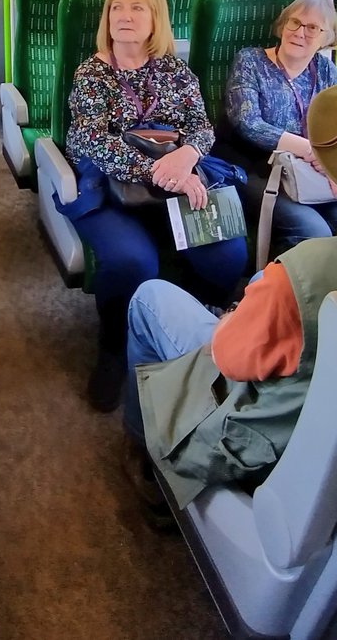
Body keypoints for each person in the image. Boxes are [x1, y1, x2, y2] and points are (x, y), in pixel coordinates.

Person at [124, 83, 337, 519]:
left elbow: (230, 357)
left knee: (149, 298)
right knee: (258, 278)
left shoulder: (305, 268)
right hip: (317, 425)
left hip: (263, 436)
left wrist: (232, 321)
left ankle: (148, 452)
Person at [63, 0, 247, 412]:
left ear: (155, 19)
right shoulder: (92, 73)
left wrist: (187, 156)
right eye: (116, 8)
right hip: (111, 181)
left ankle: (194, 325)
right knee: (133, 262)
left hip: (175, 172)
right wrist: (160, 171)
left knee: (228, 255)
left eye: (137, 8)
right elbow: (93, 141)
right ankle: (113, 344)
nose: (124, 16)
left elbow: (201, 128)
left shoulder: (175, 70)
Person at [223, 0, 337, 254]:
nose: (300, 33)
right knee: (315, 231)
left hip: (311, 173)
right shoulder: (250, 61)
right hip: (258, 170)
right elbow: (248, 123)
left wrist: (332, 166)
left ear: (326, 38)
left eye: (312, 28)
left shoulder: (326, 71)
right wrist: (312, 151)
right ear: (283, 25)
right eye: (294, 22)